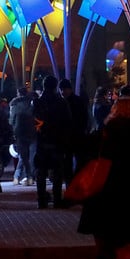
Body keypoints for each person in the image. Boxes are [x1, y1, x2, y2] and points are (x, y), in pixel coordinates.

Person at [77, 97, 130, 259]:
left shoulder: (109, 132)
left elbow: (89, 149)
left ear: (115, 111)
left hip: (108, 192)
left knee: (106, 242)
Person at [33, 75, 72, 209]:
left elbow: (34, 122)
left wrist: (40, 131)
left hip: (42, 140)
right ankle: (57, 199)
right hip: (57, 140)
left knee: (41, 172)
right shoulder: (61, 102)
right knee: (57, 172)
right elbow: (67, 122)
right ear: (55, 86)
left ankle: (41, 200)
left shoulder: (37, 102)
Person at [59, 78, 90, 185]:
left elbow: (84, 118)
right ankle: (73, 183)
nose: (62, 92)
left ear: (69, 89)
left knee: (73, 161)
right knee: (73, 161)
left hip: (74, 136)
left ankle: (73, 182)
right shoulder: (77, 101)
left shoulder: (66, 102)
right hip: (74, 136)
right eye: (61, 89)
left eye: (64, 89)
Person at [9, 86, 36, 186]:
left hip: (19, 132)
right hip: (32, 131)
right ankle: (27, 176)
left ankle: (19, 177)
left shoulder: (14, 104)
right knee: (31, 155)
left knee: (23, 156)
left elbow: (11, 120)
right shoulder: (32, 103)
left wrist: (12, 130)